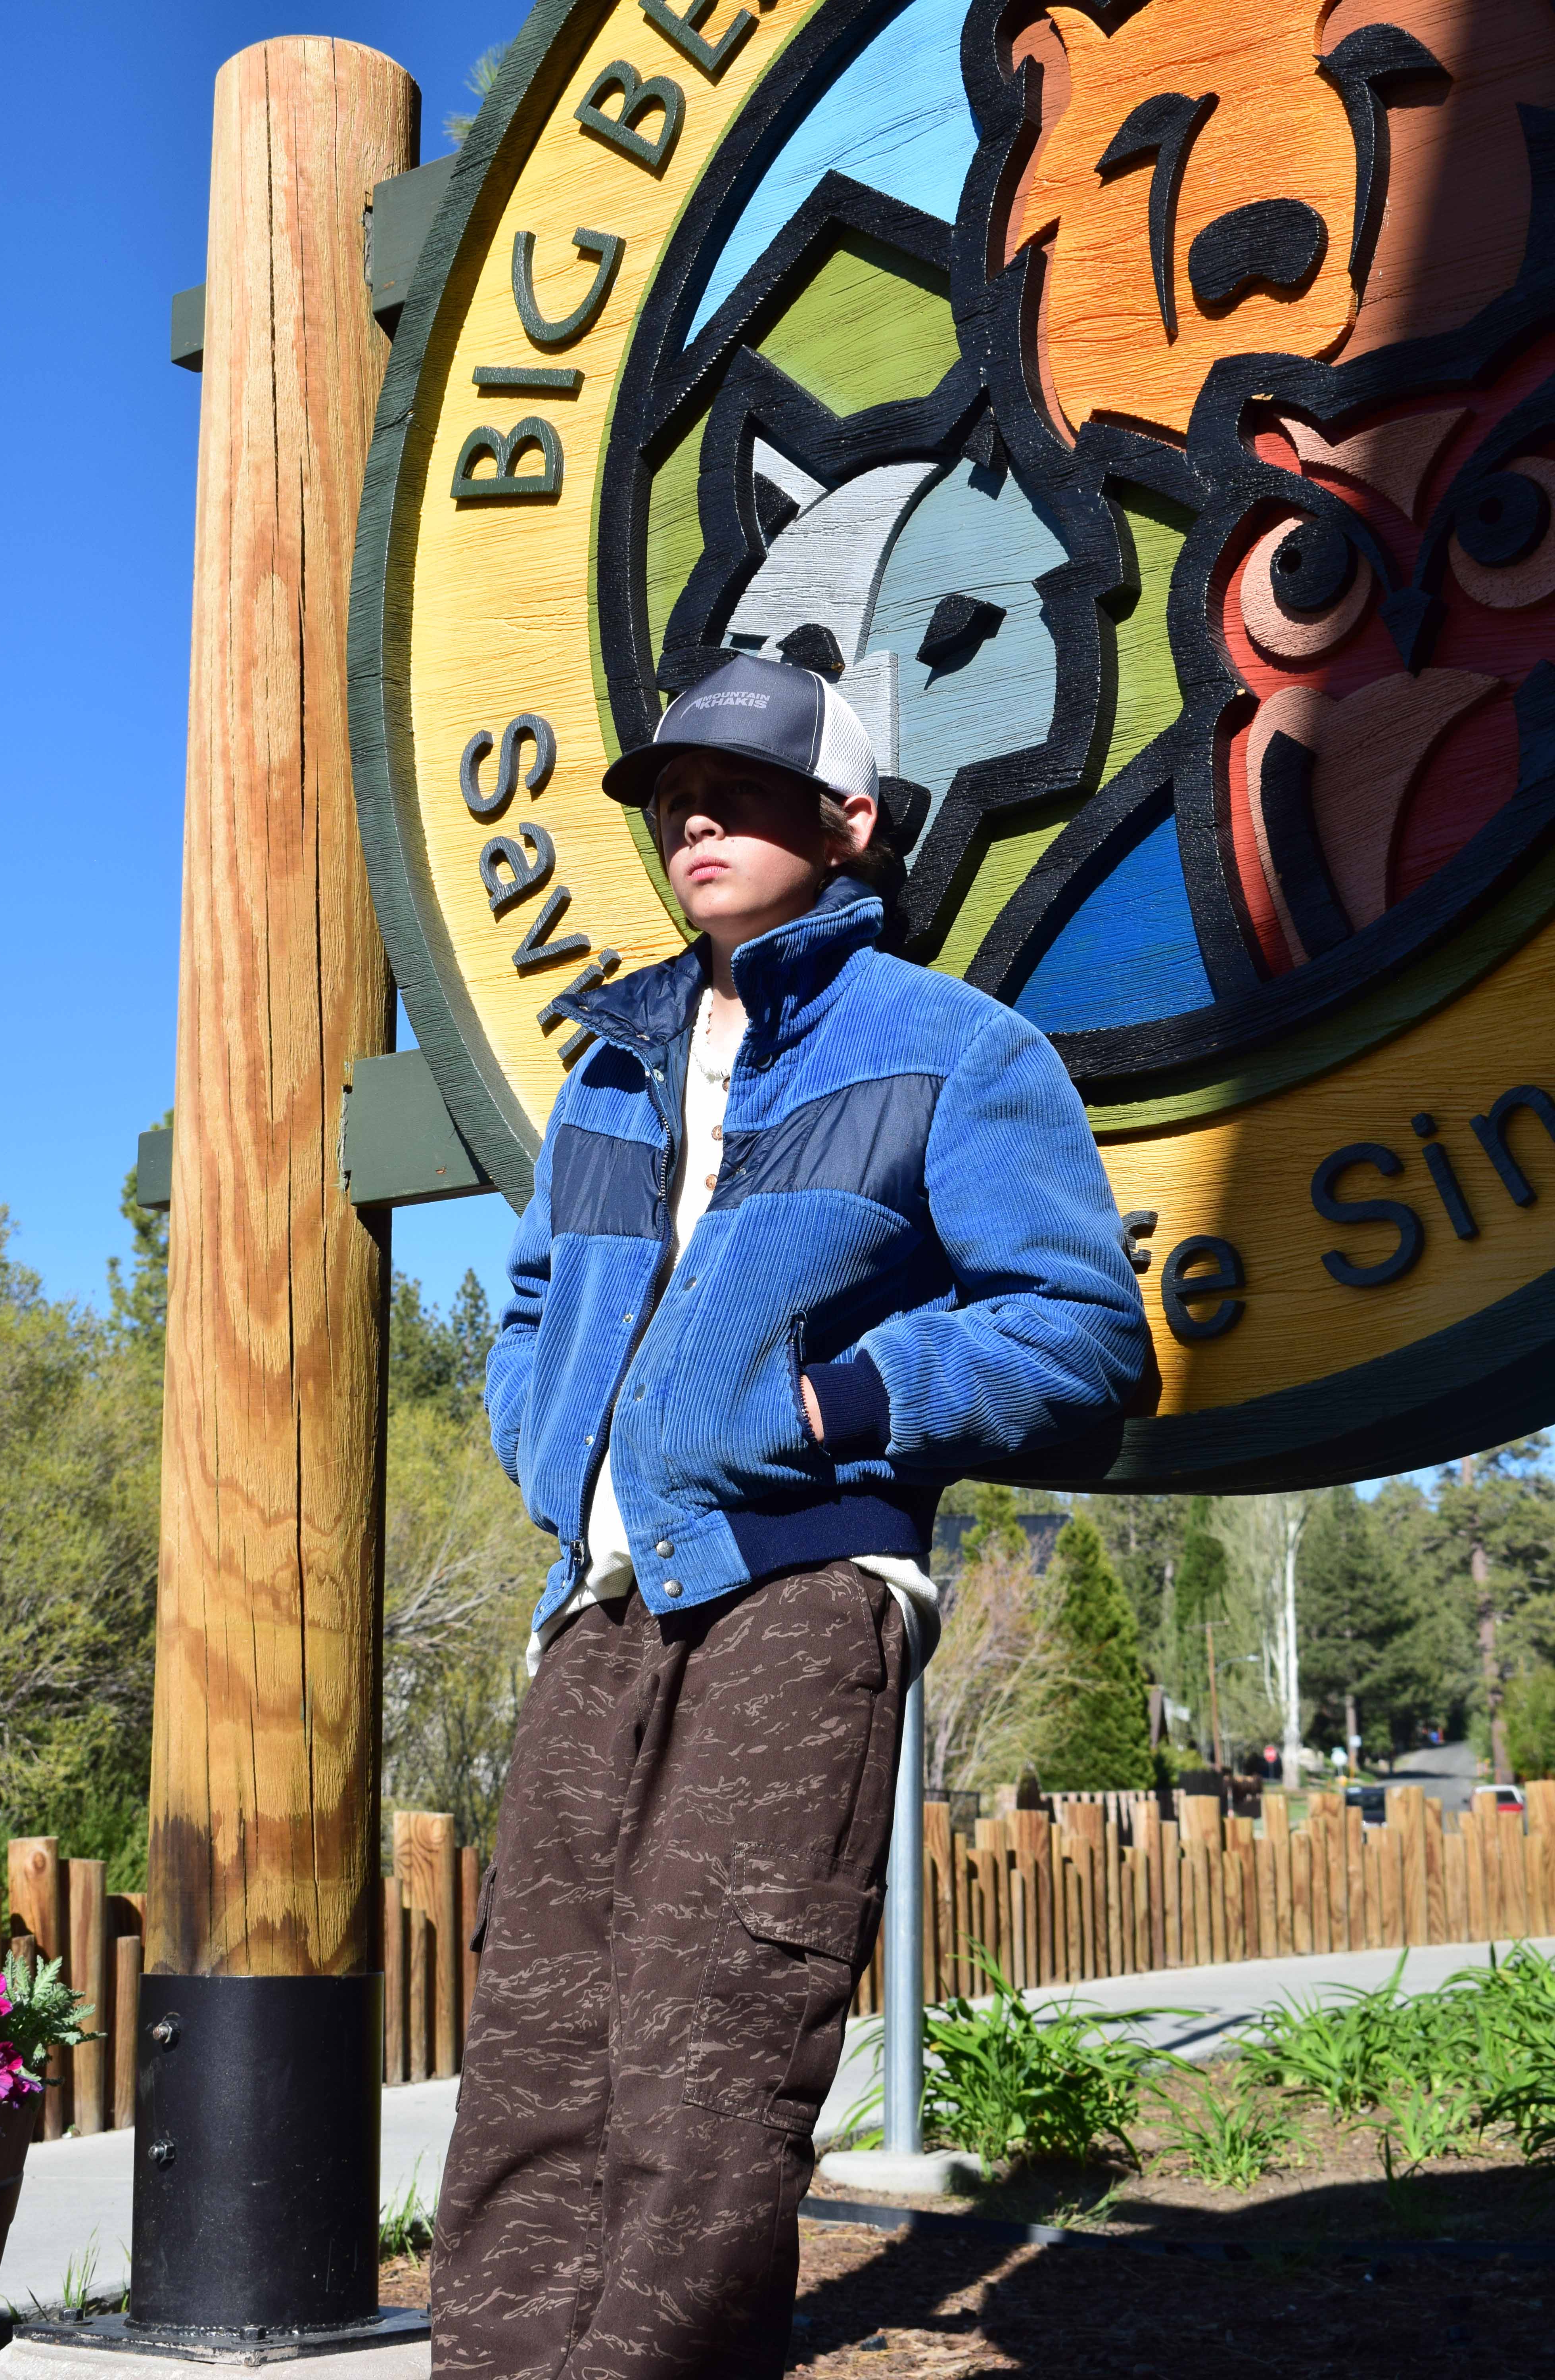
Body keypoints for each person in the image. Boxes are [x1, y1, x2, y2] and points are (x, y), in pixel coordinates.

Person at [431, 653, 1148, 2379]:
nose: (697, 819)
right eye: (676, 793)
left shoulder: (953, 1049)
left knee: (707, 2043)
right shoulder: (610, 1069)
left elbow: (1080, 1333)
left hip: (800, 1588)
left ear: (851, 823)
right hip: (600, 1594)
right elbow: (535, 1305)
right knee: (533, 2051)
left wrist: (826, 1406)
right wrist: (549, 1445)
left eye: (746, 792)